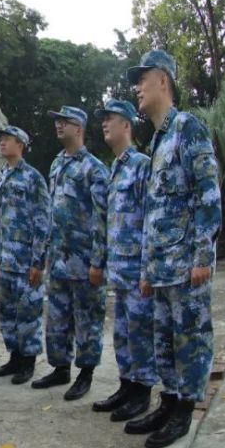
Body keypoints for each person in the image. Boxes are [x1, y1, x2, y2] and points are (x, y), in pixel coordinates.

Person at [124, 50, 221, 448]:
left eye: (142, 79)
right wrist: (147, 269)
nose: (138, 88)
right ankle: (169, 400)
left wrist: (202, 257)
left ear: (163, 80)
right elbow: (154, 212)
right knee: (164, 341)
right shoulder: (159, 140)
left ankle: (186, 409)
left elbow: (208, 194)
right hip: (162, 268)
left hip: (185, 266)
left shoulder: (187, 128)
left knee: (190, 339)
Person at [32, 106, 109, 401]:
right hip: (59, 260)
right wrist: (44, 257)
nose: (58, 126)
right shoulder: (56, 164)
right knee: (57, 318)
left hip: (84, 261)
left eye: (65, 122)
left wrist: (98, 261)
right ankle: (60, 367)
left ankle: (85, 373)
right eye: (57, 122)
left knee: (87, 319)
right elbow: (52, 213)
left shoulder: (94, 168)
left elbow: (103, 219)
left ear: (79, 128)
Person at [91, 100, 157, 422]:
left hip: (138, 271)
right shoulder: (115, 168)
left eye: (111, 119)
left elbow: (150, 221)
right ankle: (126, 386)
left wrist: (148, 270)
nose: (105, 124)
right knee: (122, 334)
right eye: (103, 120)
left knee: (141, 333)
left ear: (127, 125)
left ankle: (142, 393)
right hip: (119, 270)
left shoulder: (142, 165)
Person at [0, 126, 49, 385]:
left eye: (7, 140)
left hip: (26, 260)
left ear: (20, 144)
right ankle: (14, 357)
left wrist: (38, 261)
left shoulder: (33, 177)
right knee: (8, 312)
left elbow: (43, 221)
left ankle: (28, 362)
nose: (2, 143)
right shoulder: (2, 174)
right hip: (6, 258)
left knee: (28, 313)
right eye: (0, 140)